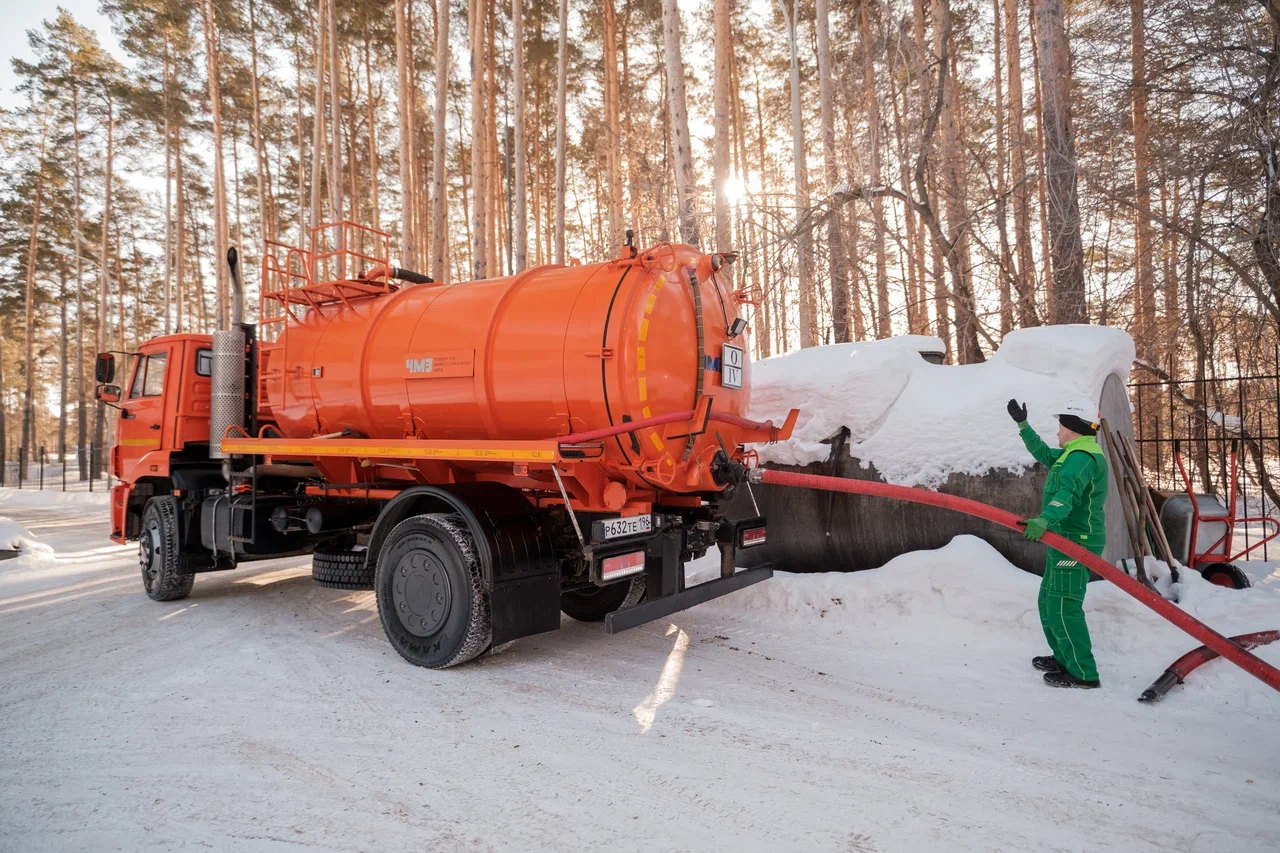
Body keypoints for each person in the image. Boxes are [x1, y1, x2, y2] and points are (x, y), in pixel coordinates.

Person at [1006, 398, 1110, 689]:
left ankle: (1082, 672)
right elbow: (1042, 452)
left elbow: (1067, 495)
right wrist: (1023, 425)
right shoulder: (1071, 454)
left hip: (1077, 541)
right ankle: (1064, 656)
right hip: (1062, 539)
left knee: (1064, 605)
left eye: (1060, 426)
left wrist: (1045, 519)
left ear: (1073, 427)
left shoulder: (1082, 458)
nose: (1057, 432)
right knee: (1049, 600)